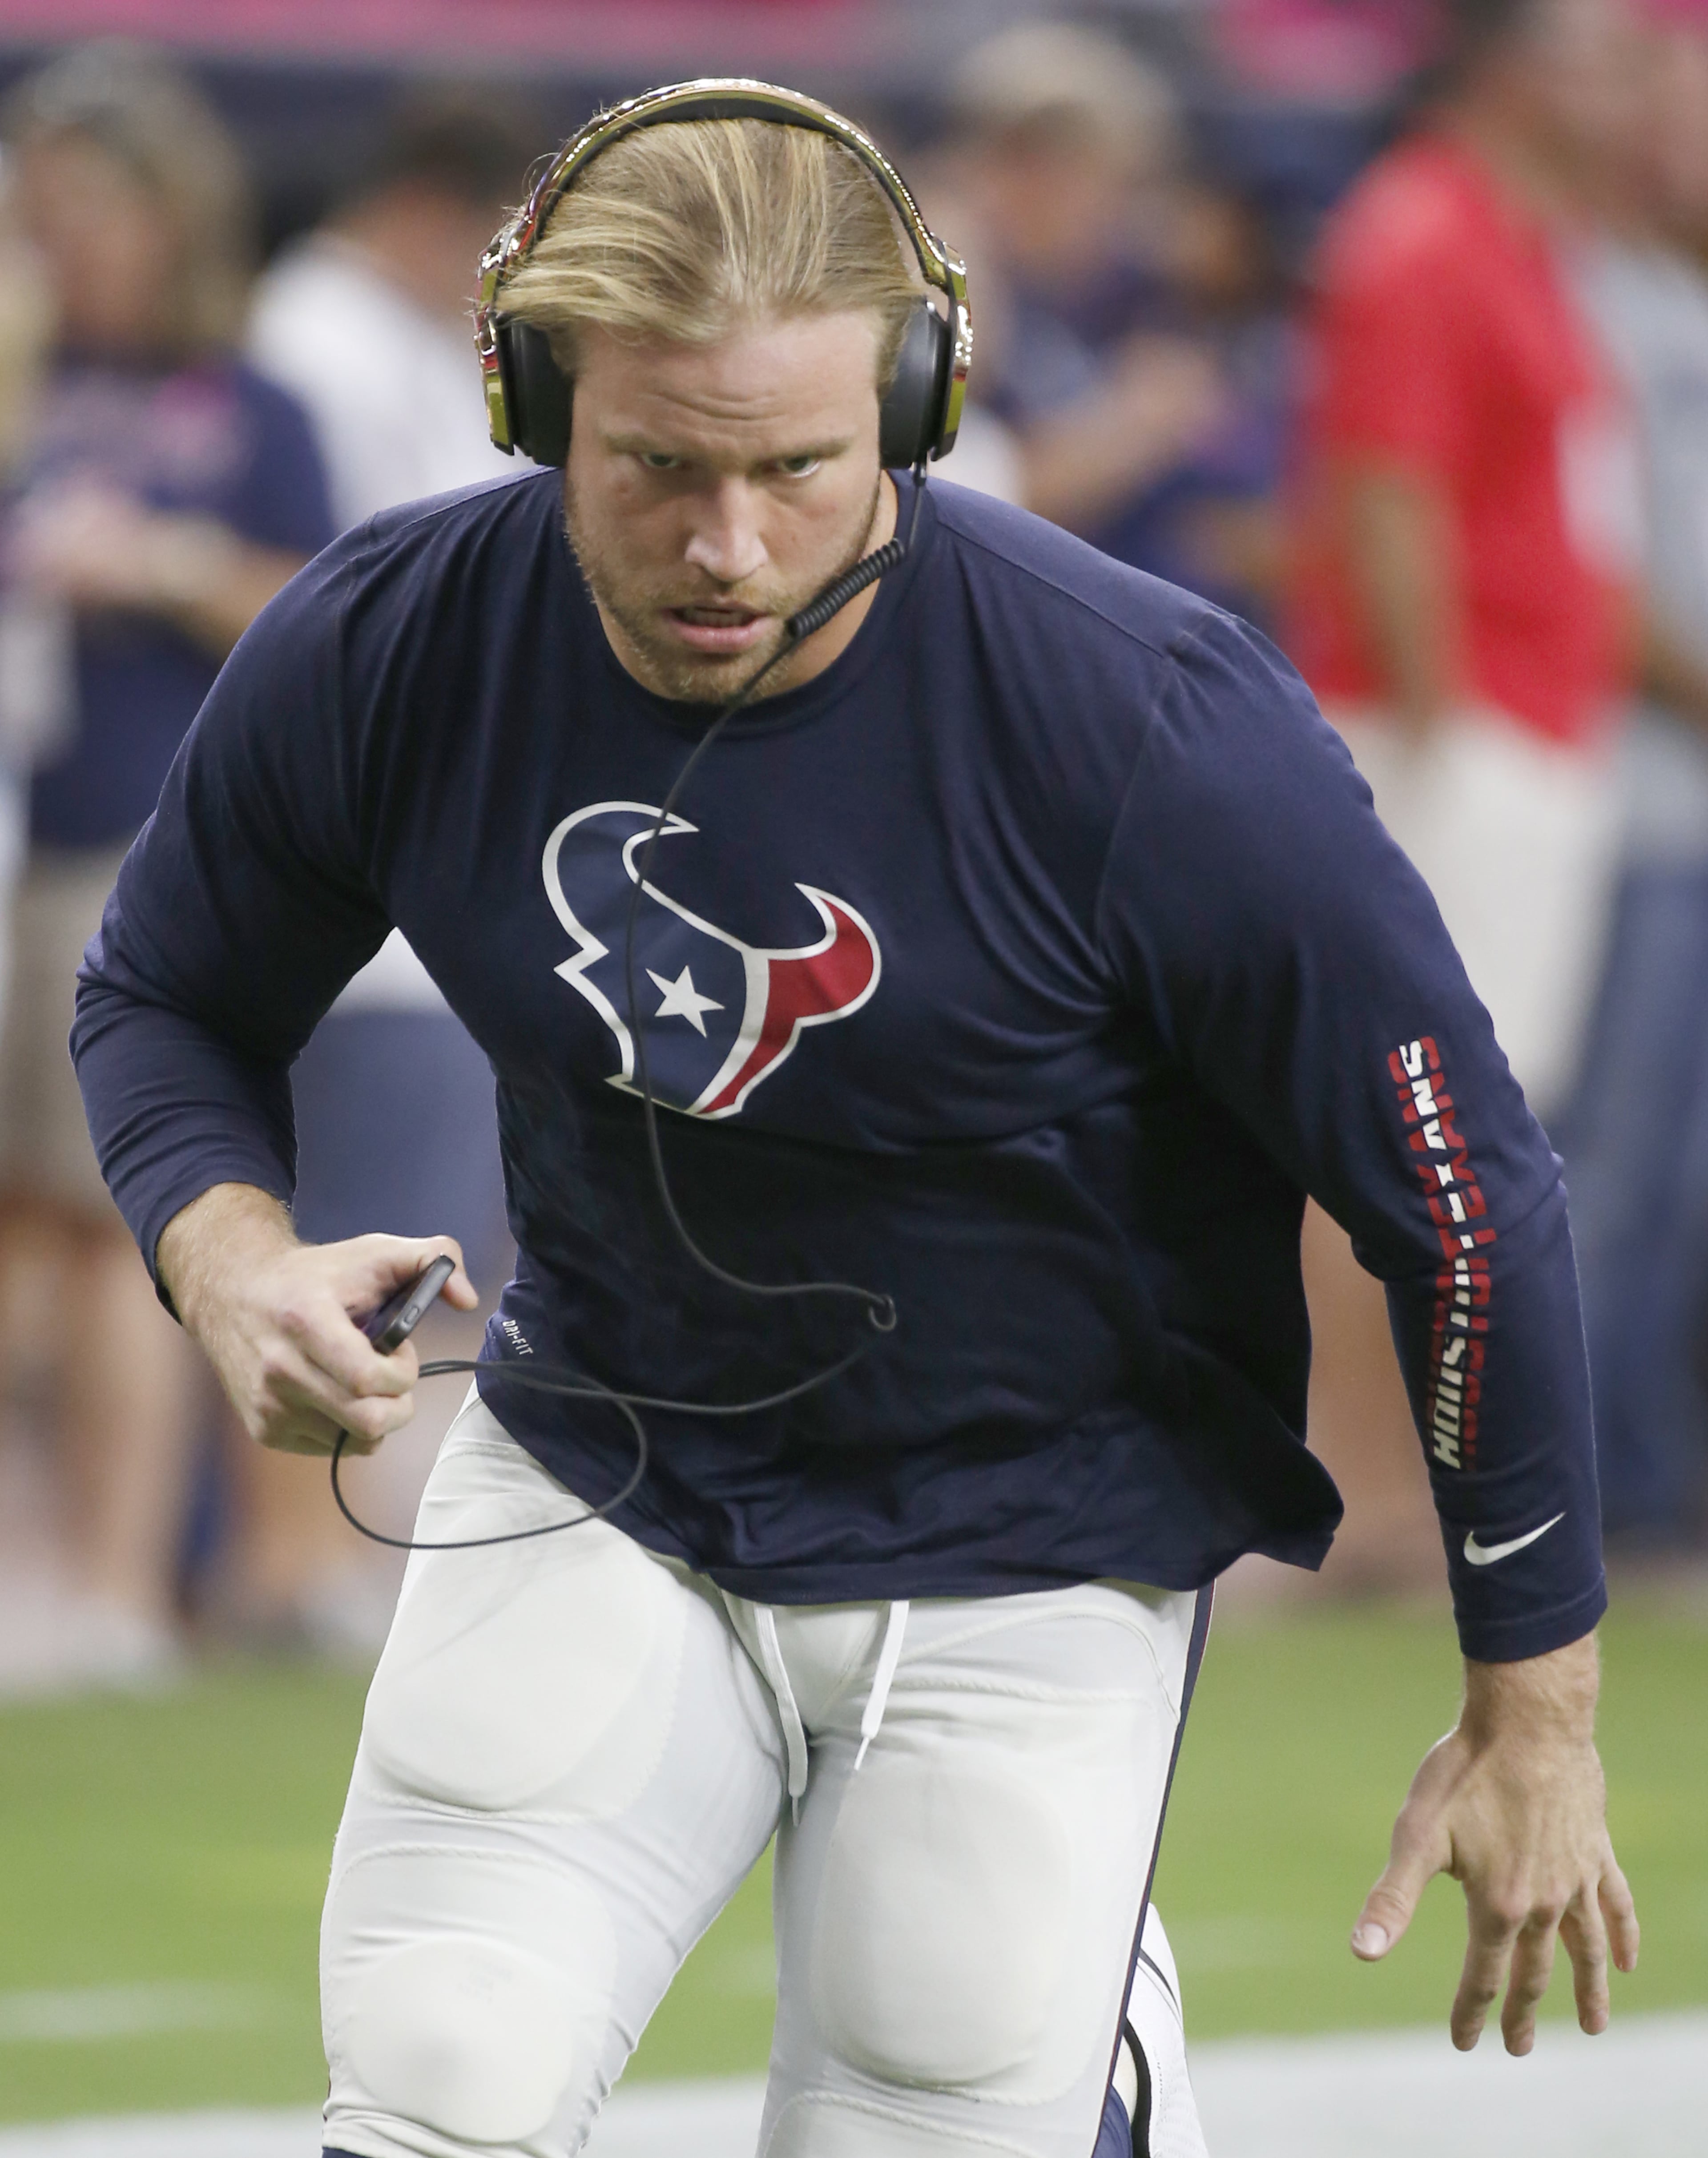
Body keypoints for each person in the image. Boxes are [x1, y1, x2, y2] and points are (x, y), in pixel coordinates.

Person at [75, 87, 1635, 2158]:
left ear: (913, 405)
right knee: (439, 2091)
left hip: (1030, 1524)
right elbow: (167, 989)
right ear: (533, 400)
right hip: (609, 1455)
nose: (727, 546)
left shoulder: (1141, 719)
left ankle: (1088, 2039)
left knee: (922, 2110)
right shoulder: (398, 641)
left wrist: (1538, 1698)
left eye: (796, 468)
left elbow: (1463, 1193)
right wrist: (232, 1255)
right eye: (655, 468)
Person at [1280, 0, 1647, 1589]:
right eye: (1604, 55)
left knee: (1472, 1128)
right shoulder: (1422, 228)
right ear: (1516, 69)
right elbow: (1389, 483)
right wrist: (1435, 731)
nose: (1634, 86)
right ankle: (1355, 1492)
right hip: (1456, 730)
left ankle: (1399, 1492)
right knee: (1402, 1114)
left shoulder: (1512, 234)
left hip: (1524, 728)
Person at [0, 44, 331, 1686]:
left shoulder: (247, 399)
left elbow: (322, 605)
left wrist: (164, 558)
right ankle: (47, 1576)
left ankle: (122, 1587)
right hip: (18, 825)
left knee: (106, 1220)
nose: (57, 240)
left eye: (85, 209)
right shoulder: (19, 375)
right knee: (29, 1241)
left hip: (136, 846)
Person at [232, 86, 541, 1650]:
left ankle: (337, 1566)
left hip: (432, 875)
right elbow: (339, 593)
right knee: (335, 1218)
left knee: (421, 1225)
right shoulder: (315, 335)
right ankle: (290, 1570)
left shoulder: (397, 342)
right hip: (357, 859)